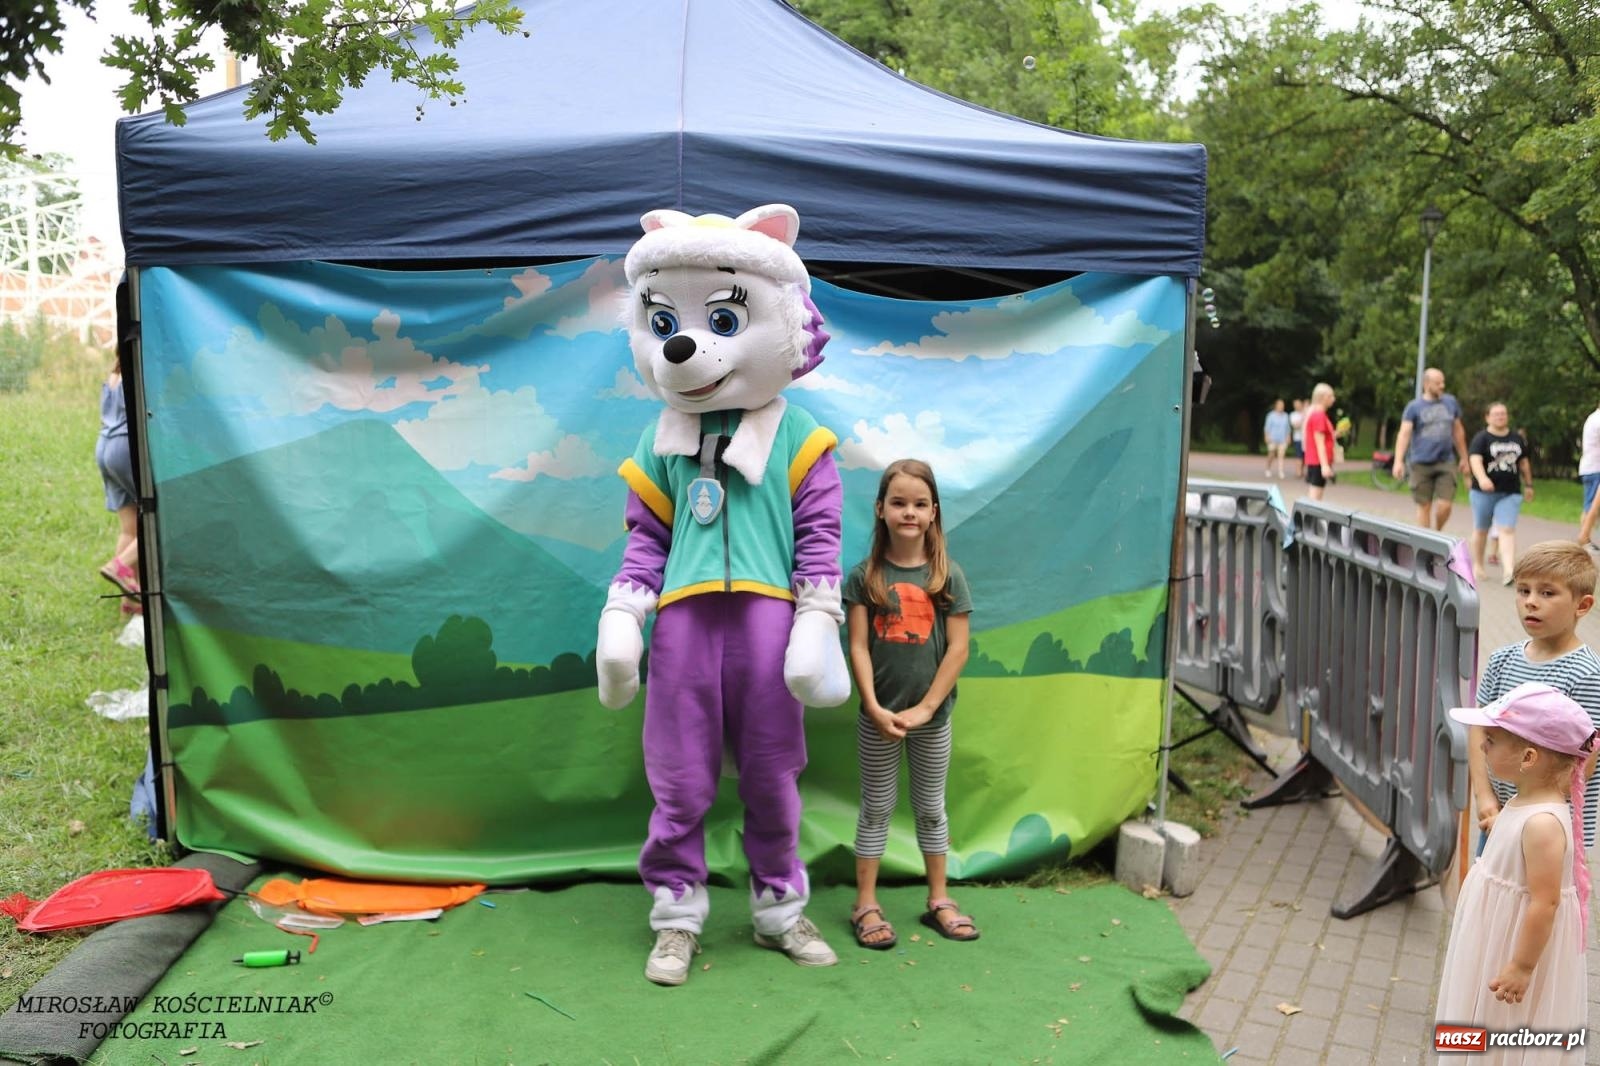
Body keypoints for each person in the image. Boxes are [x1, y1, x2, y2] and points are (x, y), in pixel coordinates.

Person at [843, 459, 975, 950]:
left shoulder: (948, 577)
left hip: (932, 720)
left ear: (933, 512)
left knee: (930, 808)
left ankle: (939, 899)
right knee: (875, 808)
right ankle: (866, 905)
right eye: (898, 503)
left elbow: (958, 650)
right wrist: (874, 706)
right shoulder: (864, 578)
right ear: (880, 510)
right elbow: (857, 646)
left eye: (919, 504)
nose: (909, 512)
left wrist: (925, 709)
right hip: (877, 720)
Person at [1438, 681, 1593, 1054]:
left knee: (1502, 1029)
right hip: (1494, 936)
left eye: (1491, 739)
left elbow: (1545, 903)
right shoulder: (1524, 802)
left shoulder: (1542, 825)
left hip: (1513, 946)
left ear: (1528, 758)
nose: (1482, 745)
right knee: (1482, 1021)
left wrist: (1522, 967)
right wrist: (1502, 831)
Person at [1468, 544, 1600, 884]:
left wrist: (1526, 812)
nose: (1530, 601)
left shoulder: (1586, 674)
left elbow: (1585, 760)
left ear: (1582, 606)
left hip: (1547, 830)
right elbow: (1478, 730)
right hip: (1496, 816)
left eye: (1547, 592)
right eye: (1523, 590)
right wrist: (1484, 797)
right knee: (1493, 898)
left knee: (1537, 912)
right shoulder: (1502, 660)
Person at [1390, 366, 1468, 531]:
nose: (1442, 386)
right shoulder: (1414, 407)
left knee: (1445, 505)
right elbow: (1404, 434)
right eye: (1438, 383)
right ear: (1426, 384)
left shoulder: (1451, 402)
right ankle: (1426, 543)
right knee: (1424, 506)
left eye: (1443, 382)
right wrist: (1398, 461)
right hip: (1420, 462)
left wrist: (1464, 457)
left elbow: (1458, 431)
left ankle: (1437, 532)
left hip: (1446, 461)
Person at [1467, 402, 1534, 585]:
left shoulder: (1517, 439)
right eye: (1496, 414)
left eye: (1503, 413)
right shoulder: (1481, 438)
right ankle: (1478, 565)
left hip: (1510, 492)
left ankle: (1509, 570)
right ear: (1487, 417)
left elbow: (1524, 463)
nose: (1500, 416)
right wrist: (1482, 478)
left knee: (1507, 529)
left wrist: (1529, 485)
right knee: (1481, 530)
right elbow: (1474, 460)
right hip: (1483, 493)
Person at [95, 361, 140, 615]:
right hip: (124, 448)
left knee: (130, 529)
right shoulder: (136, 371)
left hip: (104, 446)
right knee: (155, 520)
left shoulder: (115, 373)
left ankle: (131, 602)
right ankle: (120, 566)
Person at [1302, 383, 1337, 502]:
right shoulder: (1319, 416)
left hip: (1316, 461)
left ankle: (1310, 520)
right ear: (1323, 397)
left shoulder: (1317, 415)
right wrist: (1325, 465)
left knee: (1316, 495)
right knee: (1315, 496)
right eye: (1331, 396)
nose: (1333, 399)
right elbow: (1319, 443)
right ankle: (1308, 520)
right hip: (1318, 461)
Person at [1580, 401, 1600, 536]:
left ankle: (1584, 539)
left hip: (1589, 467)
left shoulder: (1593, 417)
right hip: (1595, 469)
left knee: (1590, 505)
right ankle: (1584, 538)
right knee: (1593, 506)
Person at [1262, 399, 1290, 478]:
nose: (1281, 406)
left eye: (1282, 405)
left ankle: (1281, 471)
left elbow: (1287, 428)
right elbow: (1267, 428)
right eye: (1280, 405)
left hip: (1282, 439)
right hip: (1272, 438)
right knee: (1271, 454)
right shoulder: (1270, 415)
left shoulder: (1285, 416)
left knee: (1281, 455)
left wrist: (1288, 437)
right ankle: (1268, 469)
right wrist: (1266, 436)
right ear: (1276, 405)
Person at [1289, 398, 1307, 477]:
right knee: (1298, 456)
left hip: (1306, 439)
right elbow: (1295, 426)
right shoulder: (1293, 415)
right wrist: (1303, 418)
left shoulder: (1306, 413)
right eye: (1295, 404)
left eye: (1299, 404)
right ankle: (1298, 471)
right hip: (1298, 438)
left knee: (1304, 457)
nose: (1297, 406)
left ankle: (1302, 471)